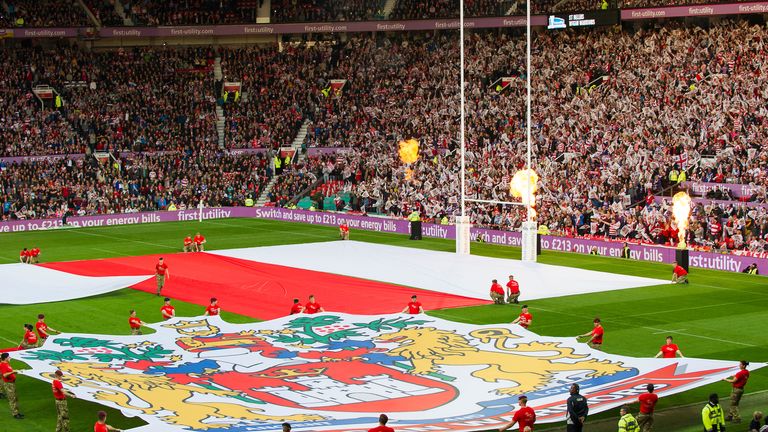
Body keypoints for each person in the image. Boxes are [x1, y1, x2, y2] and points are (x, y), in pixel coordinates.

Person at [0, 352, 23, 419]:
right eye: (8, 357)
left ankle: (17, 412)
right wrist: (13, 372)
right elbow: (4, 375)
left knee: (15, 398)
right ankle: (15, 414)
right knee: (12, 399)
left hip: (11, 383)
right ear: (5, 358)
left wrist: (14, 372)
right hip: (8, 384)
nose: (10, 358)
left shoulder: (6, 364)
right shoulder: (3, 365)